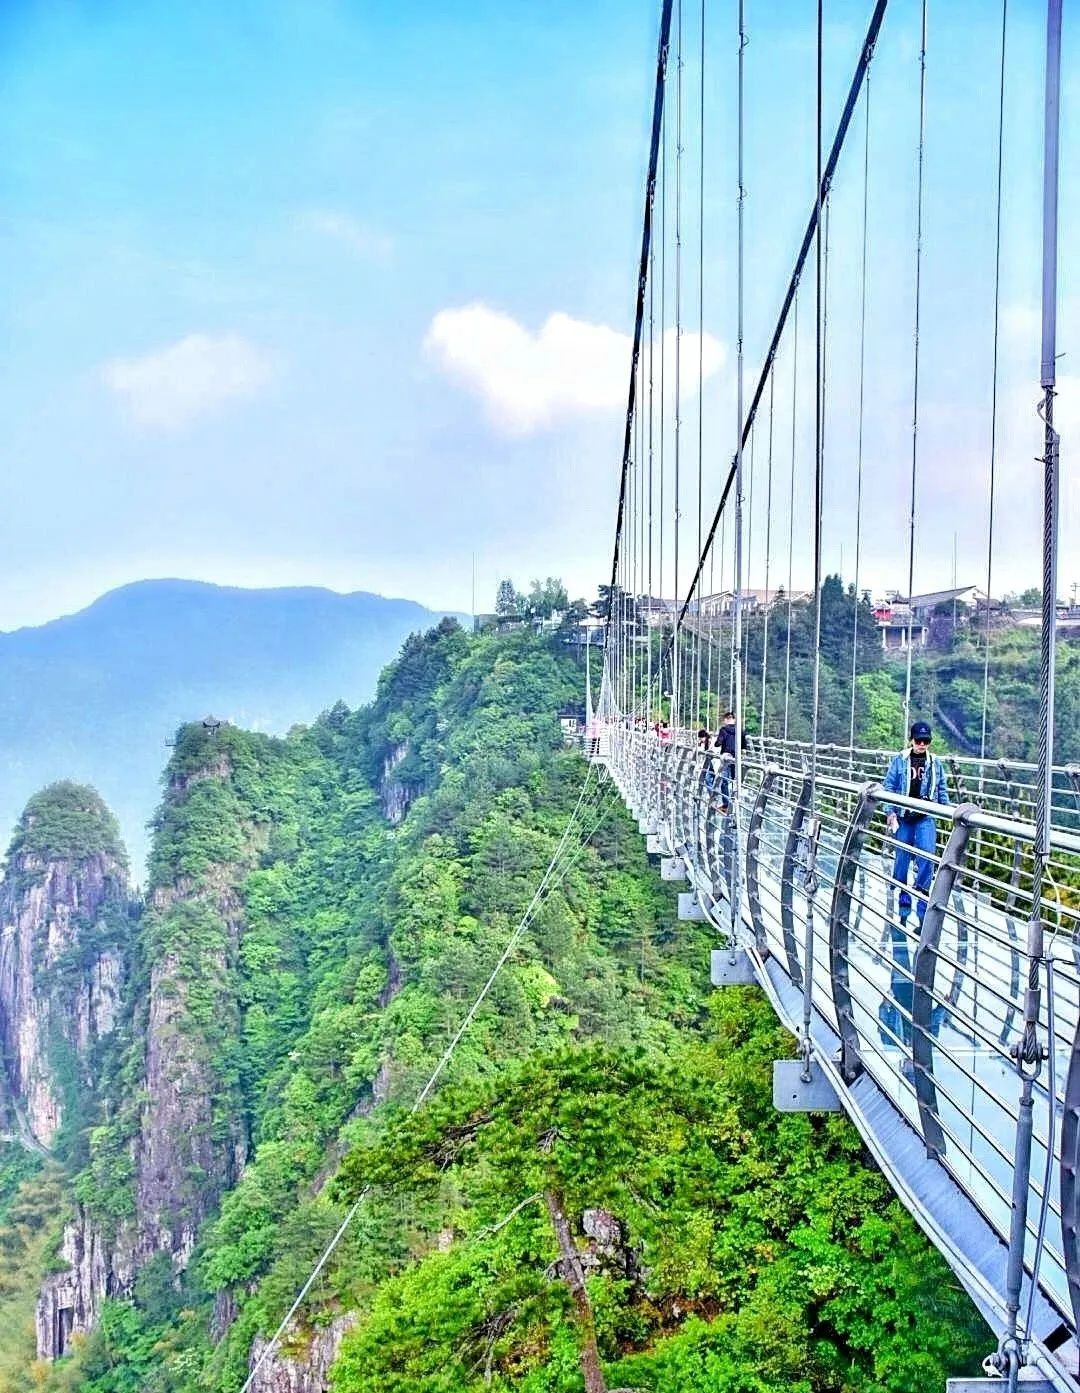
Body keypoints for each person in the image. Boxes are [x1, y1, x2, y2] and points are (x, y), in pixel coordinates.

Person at [881, 720, 950, 928]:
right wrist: (890, 811)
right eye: (918, 740)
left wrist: (946, 811)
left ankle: (921, 892)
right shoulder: (900, 760)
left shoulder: (935, 763)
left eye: (925, 741)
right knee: (902, 857)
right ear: (911, 740)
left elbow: (941, 788)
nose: (922, 744)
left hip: (925, 816)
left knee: (927, 855)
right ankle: (904, 893)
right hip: (903, 816)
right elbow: (889, 786)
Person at [713, 711, 749, 813]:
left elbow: (718, 743)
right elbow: (744, 744)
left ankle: (726, 804)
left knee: (724, 781)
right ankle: (736, 803)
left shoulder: (723, 730)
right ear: (734, 720)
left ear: (725, 720)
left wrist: (716, 742)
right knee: (735, 780)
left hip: (726, 758)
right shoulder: (740, 731)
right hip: (737, 758)